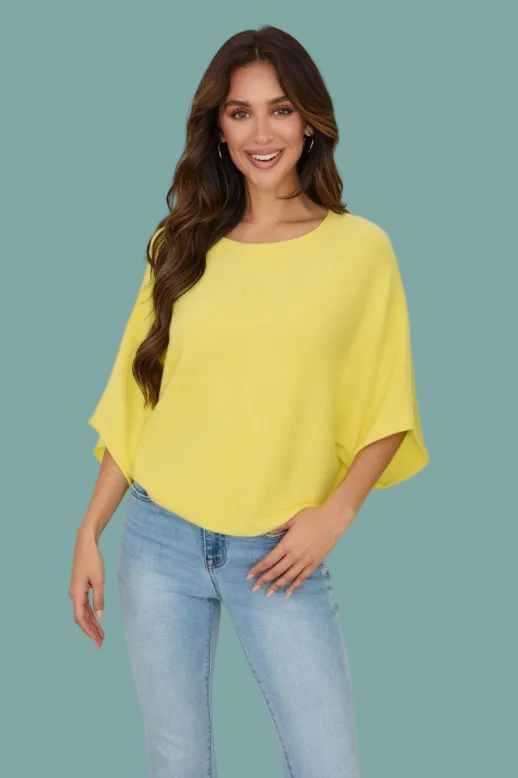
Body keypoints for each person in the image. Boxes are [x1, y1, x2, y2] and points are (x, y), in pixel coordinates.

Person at [69, 25, 429, 778]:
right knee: (177, 763)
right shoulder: (179, 243)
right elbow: (138, 399)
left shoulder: (361, 250)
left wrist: (335, 516)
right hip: (159, 540)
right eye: (240, 113)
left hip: (280, 553)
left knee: (328, 764)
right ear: (219, 128)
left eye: (280, 110)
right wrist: (89, 530)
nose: (261, 134)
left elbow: (388, 407)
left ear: (310, 123)